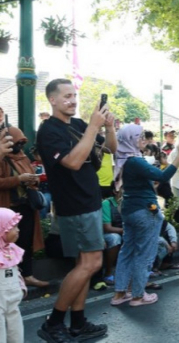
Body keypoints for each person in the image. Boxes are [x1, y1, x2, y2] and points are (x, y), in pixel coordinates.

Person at [37, 78, 116, 342]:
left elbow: (110, 150)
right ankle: (55, 321)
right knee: (92, 263)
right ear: (53, 100)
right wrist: (93, 127)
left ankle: (78, 322)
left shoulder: (80, 125)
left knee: (83, 264)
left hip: (89, 201)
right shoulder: (49, 130)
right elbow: (72, 161)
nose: (73, 100)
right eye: (67, 96)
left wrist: (108, 127)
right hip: (75, 205)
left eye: (74, 95)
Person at [110, 124, 179, 307]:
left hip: (129, 209)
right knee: (144, 252)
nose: (142, 140)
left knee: (127, 251)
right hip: (144, 209)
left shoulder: (124, 158)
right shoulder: (136, 161)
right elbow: (162, 176)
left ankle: (120, 293)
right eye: (139, 137)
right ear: (130, 140)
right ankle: (138, 295)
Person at [0, 127, 49, 290]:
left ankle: (26, 275)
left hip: (26, 206)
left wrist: (33, 180)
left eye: (22, 142)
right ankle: (10, 278)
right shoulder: (2, 157)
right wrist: (18, 179)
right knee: (7, 244)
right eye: (17, 142)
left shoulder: (23, 157)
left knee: (25, 242)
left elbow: (35, 179)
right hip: (8, 209)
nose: (20, 145)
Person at [0, 208, 27, 343]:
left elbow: (15, 270)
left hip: (13, 298)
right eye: (13, 227)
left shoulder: (12, 249)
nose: (18, 230)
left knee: (15, 328)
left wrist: (21, 287)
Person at [101, 189, 123, 285]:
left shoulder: (128, 202)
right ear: (115, 191)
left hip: (123, 231)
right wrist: (126, 231)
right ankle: (108, 273)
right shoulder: (107, 203)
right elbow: (107, 228)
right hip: (108, 233)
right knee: (115, 238)